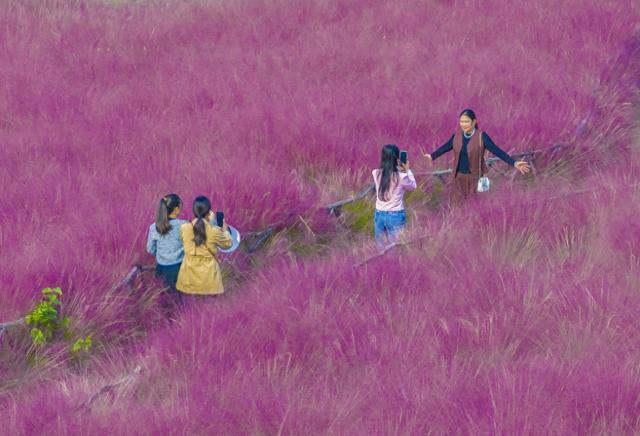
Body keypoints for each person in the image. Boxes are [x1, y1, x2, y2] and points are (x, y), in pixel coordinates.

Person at [422, 109, 530, 201]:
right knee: (457, 205)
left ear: (474, 122)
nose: (463, 124)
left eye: (466, 122)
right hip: (458, 178)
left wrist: (514, 163)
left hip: (475, 178)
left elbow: (497, 151)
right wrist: (432, 156)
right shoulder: (456, 136)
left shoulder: (481, 137)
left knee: (473, 204)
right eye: (461, 121)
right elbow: (445, 147)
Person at [176, 196, 233, 298]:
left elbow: (183, 240)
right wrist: (224, 230)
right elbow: (228, 244)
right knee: (210, 306)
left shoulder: (184, 228)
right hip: (208, 280)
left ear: (194, 211)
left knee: (190, 308)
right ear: (209, 212)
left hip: (189, 278)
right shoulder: (214, 231)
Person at [146, 194, 188, 305]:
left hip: (161, 270)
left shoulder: (154, 227)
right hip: (180, 269)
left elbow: (150, 249)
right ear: (176, 209)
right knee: (181, 302)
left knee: (165, 301)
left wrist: (161, 254)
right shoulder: (184, 225)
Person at [372, 144, 417, 247]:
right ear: (397, 159)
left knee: (380, 248)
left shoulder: (375, 173)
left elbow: (386, 176)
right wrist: (407, 170)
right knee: (394, 249)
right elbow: (413, 186)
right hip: (395, 215)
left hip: (379, 214)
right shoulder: (401, 177)